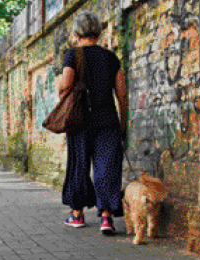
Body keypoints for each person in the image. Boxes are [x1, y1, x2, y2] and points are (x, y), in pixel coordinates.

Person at [58, 10, 128, 235]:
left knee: (78, 164)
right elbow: (122, 94)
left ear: (77, 32)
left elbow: (64, 86)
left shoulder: (73, 55)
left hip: (79, 120)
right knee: (107, 166)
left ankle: (77, 214)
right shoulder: (110, 58)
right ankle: (106, 217)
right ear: (98, 31)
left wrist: (65, 93)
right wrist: (123, 124)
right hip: (107, 121)